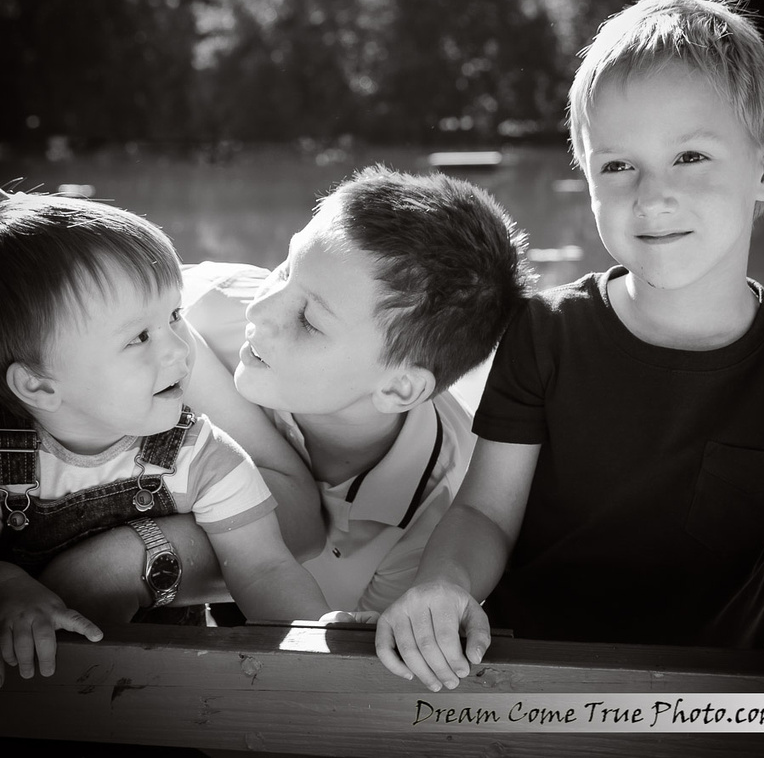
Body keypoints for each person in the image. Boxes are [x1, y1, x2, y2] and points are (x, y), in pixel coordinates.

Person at [374, 0, 764, 720]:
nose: (650, 195)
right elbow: (486, 514)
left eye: (690, 157)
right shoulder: (547, 330)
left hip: (711, 711)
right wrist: (445, 588)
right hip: (516, 689)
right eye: (617, 165)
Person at [37, 165, 536, 617]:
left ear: (400, 385)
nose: (262, 311)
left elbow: (336, 672)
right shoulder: (196, 310)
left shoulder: (440, 521)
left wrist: (138, 556)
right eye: (285, 268)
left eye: (309, 320)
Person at [0, 191, 330, 687]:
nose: (179, 349)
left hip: (162, 698)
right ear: (40, 386)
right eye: (139, 338)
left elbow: (263, 569)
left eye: (175, 316)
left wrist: (318, 638)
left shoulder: (203, 457)